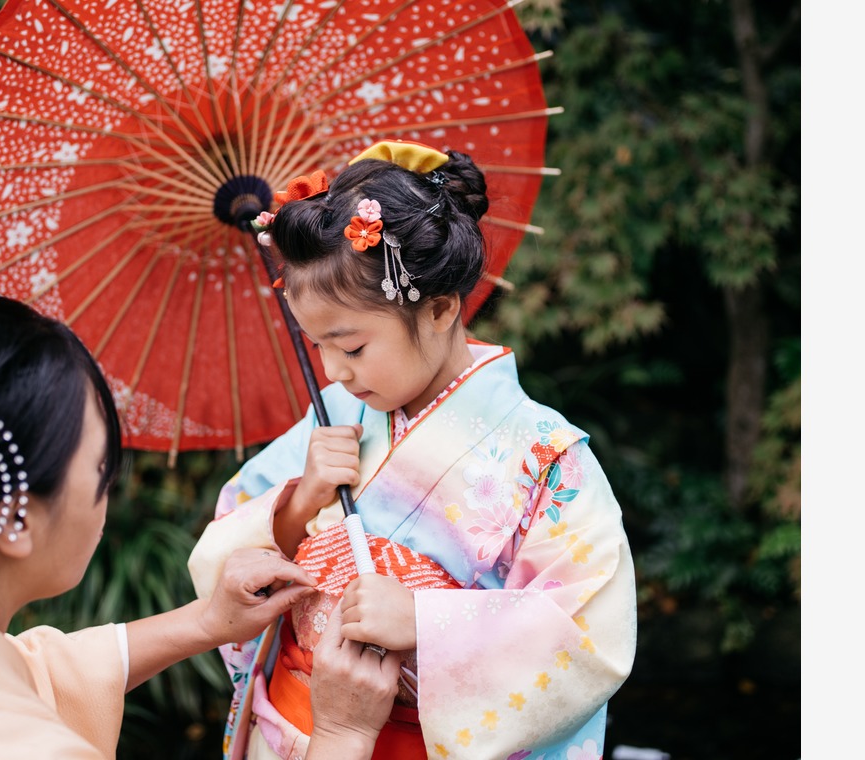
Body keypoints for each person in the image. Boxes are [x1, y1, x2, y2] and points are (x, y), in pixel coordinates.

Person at [0, 282, 402, 760]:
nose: (109, 489)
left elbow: (18, 673)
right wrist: (342, 735)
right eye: (102, 467)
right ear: (13, 520)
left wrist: (206, 622)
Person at [188, 139, 638, 760]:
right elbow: (225, 558)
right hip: (293, 732)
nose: (335, 372)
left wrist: (425, 623)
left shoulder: (546, 458)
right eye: (316, 345)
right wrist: (298, 506)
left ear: (441, 308)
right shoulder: (338, 418)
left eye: (351, 346)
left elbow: (590, 636)